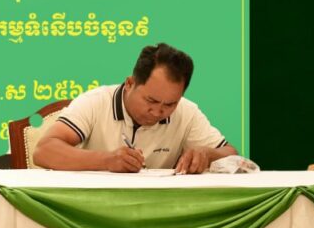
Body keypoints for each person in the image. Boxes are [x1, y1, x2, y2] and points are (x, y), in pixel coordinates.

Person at [32, 43, 237, 174]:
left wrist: (207, 154)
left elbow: (232, 155)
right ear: (130, 84)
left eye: (169, 104)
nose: (158, 112)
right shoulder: (95, 102)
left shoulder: (187, 112)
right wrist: (107, 160)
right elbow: (44, 151)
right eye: (150, 100)